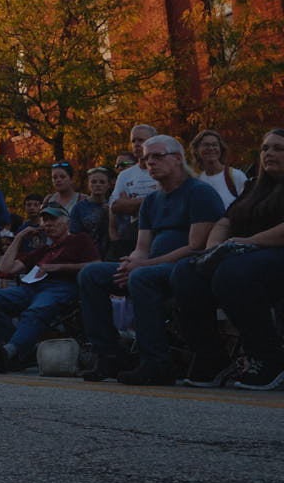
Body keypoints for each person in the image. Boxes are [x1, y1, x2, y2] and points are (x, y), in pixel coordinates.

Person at [78, 134, 224, 386]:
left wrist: (142, 266)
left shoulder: (200, 193)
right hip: (152, 267)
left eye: (157, 156)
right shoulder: (151, 202)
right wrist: (131, 262)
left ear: (178, 158)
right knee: (91, 274)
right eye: (146, 159)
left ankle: (156, 362)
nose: (150, 163)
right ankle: (110, 354)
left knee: (142, 277)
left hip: (187, 268)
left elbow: (195, 247)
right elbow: (142, 247)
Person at [172, 128, 284, 390]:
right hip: (245, 254)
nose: (269, 153)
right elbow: (225, 222)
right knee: (186, 272)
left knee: (232, 273)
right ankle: (212, 358)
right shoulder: (255, 185)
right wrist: (213, 250)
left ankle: (268, 359)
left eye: (278, 148)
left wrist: (249, 242)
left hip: (273, 254)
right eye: (265, 148)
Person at [0, 204, 98, 373]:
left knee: (36, 310)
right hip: (31, 289)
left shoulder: (80, 240)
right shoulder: (42, 250)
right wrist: (19, 236)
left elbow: (95, 266)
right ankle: (21, 351)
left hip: (61, 287)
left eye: (53, 219)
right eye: (45, 220)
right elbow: (5, 269)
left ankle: (9, 351)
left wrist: (58, 267)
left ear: (67, 223)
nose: (48, 224)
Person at [109, 123, 162, 258]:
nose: (136, 144)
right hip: (134, 235)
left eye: (141, 140)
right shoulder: (125, 175)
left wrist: (130, 203)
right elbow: (115, 206)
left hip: (161, 230)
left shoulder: (165, 169)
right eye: (133, 141)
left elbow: (168, 202)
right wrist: (152, 199)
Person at [189, 129, 248, 210]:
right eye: (206, 145)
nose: (211, 148)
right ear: (196, 150)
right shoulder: (198, 181)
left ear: (221, 149)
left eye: (215, 145)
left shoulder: (235, 176)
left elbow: (248, 206)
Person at [71, 167, 115, 259]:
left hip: (111, 255)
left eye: (102, 182)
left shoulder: (114, 206)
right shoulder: (79, 208)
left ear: (109, 185)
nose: (98, 185)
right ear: (88, 184)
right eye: (94, 182)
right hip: (86, 256)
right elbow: (74, 236)